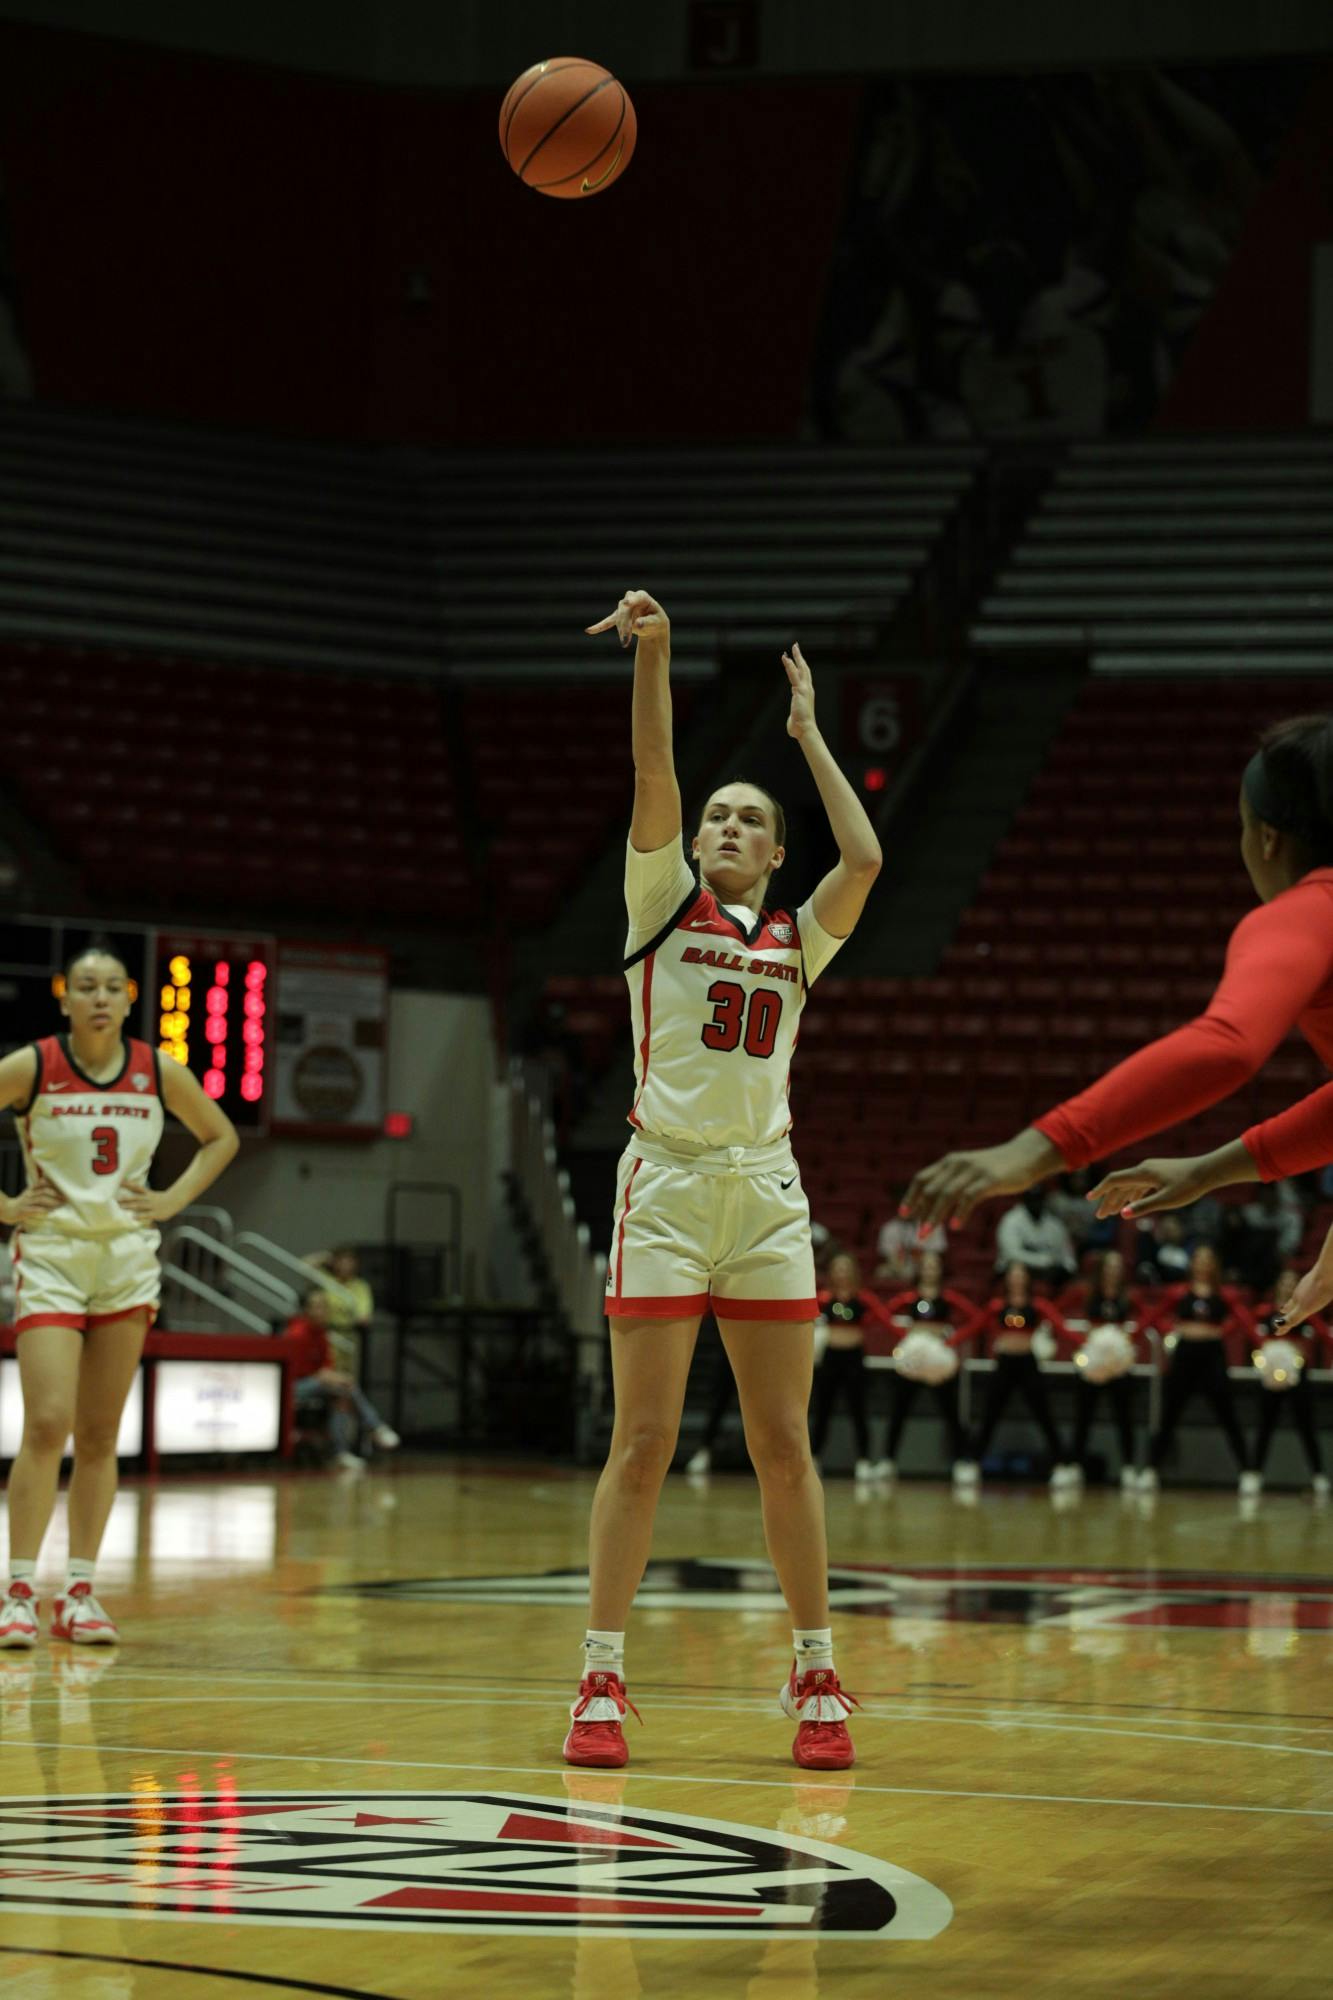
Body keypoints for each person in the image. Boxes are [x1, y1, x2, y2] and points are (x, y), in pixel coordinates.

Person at [568, 588, 881, 1773]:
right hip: (664, 1184)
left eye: (751, 819)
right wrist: (656, 649)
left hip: (765, 1195)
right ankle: (599, 1675)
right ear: (694, 843)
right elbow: (652, 761)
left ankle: (814, 1671)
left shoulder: (799, 935)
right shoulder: (659, 907)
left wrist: (807, 736)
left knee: (783, 1442)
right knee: (639, 1440)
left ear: (773, 846)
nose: (730, 827)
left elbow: (867, 853)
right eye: (718, 817)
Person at [902, 712, 1333, 1252]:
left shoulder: (1308, 910)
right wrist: (1206, 1172)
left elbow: (1227, 1047)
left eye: (1241, 827)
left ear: (1267, 839)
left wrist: (1036, 1149)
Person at [0, 942, 238, 1650]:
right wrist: (7, 1206)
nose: (100, 998)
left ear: (130, 999)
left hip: (127, 1262)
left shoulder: (157, 1069)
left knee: (101, 1436)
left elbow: (219, 1136)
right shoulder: (33, 1064)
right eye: (86, 986)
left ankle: (79, 1592)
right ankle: (16, 1592)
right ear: (64, 997)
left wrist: (169, 1201)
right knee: (46, 1423)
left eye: (112, 987)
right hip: (51, 1257)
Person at [1141, 1245, 1257, 1493]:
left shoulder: (1225, 1294)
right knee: (1169, 1413)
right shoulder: (1178, 1292)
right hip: (1185, 1354)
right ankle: (1150, 1470)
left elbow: (1245, 1321)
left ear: (1215, 1266)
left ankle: (1248, 1471)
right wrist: (1171, 1330)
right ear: (1191, 1264)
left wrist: (1223, 1332)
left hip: (1212, 1355)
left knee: (1227, 1413)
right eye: (1199, 1259)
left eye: (1208, 1260)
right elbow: (1152, 1317)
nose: (1203, 1264)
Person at [959, 1262, 1079, 1490]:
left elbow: (1061, 1326)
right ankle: (972, 1462)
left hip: (1027, 1362)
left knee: (1044, 1414)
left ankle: (1063, 1463)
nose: (1016, 1279)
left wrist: (1084, 1342)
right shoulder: (997, 1306)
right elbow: (975, 1325)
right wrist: (949, 1342)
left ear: (1027, 1279)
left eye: (1020, 1275)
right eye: (1012, 1275)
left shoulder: (1038, 1305)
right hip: (1005, 1362)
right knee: (990, 1414)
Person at [879, 1249, 979, 1477]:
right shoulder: (910, 1297)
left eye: (934, 1265)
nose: (929, 1270)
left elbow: (976, 1317)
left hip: (938, 1361)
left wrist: (954, 1339)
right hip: (913, 1359)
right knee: (899, 1410)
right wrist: (904, 1334)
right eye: (925, 1265)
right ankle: (888, 1460)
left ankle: (963, 1461)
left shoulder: (948, 1297)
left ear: (941, 1270)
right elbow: (882, 1313)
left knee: (951, 1412)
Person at [285, 1288, 398, 1469]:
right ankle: (375, 1426)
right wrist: (325, 1377)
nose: (322, 1311)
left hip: (317, 1384)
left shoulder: (321, 1334)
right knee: (343, 1387)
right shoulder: (297, 1333)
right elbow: (293, 1373)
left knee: (341, 1396)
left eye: (325, 1307)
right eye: (317, 1307)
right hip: (291, 1388)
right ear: (306, 1311)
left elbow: (327, 1366)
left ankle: (340, 1452)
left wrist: (333, 1378)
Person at [1246, 1267, 1330, 1497]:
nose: (1288, 1286)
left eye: (1293, 1282)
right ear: (1277, 1286)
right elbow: (1249, 1328)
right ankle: (1253, 1474)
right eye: (1284, 1281)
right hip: (1269, 1374)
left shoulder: (1306, 1313)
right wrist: (1266, 1348)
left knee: (1306, 1425)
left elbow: (1323, 1335)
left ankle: (1318, 1476)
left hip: (1297, 1373)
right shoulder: (1264, 1312)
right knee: (1265, 1424)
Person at [810, 1253, 891, 1482]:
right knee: (822, 1410)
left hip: (854, 1357)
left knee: (858, 1410)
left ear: (853, 1273)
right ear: (832, 1273)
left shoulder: (863, 1298)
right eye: (838, 1268)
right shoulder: (823, 1298)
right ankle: (814, 1457)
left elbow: (885, 1318)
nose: (842, 1273)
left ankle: (864, 1460)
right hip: (830, 1357)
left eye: (846, 1268)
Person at [1066, 1249, 1143, 1487]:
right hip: (1093, 1362)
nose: (1113, 1271)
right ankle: (1074, 1467)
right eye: (1109, 1266)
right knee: (1083, 1415)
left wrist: (1130, 1337)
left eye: (1118, 1267)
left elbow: (1151, 1316)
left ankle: (1129, 1468)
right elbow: (1053, 1311)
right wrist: (1082, 1340)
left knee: (1124, 1416)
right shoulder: (1088, 1293)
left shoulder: (1128, 1296)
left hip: (1118, 1363)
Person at [994, 1189, 1077, 1291]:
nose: (1035, 1203)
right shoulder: (1011, 1220)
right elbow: (1011, 1254)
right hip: (1016, 1268)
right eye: (1032, 1199)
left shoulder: (1055, 1224)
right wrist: (1042, 1261)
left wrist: (1067, 1269)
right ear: (1024, 1200)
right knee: (1017, 1270)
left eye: (1038, 1199)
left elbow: (1067, 1257)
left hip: (1048, 1271)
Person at [874, 1200, 946, 1285]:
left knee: (931, 1261)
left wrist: (922, 1267)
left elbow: (936, 1254)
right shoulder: (889, 1228)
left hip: (925, 1268)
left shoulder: (933, 1226)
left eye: (913, 1204)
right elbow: (890, 1256)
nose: (910, 1209)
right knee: (882, 1272)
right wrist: (901, 1269)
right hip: (899, 1268)